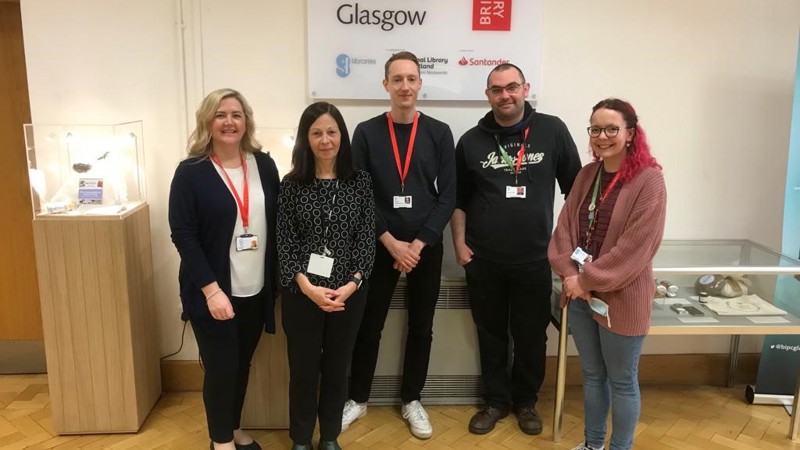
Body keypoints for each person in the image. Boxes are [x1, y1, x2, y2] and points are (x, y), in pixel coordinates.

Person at [451, 63, 582, 436]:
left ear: (526, 89)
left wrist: (565, 246)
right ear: (488, 95)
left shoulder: (552, 130)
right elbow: (458, 200)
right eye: (496, 89)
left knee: (531, 336)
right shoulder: (472, 140)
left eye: (511, 87)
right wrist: (460, 245)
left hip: (535, 259)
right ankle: (495, 401)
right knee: (490, 333)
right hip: (484, 259)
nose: (504, 95)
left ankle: (526, 402)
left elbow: (575, 190)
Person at [342, 50, 456, 439]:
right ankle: (357, 398)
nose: (405, 86)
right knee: (367, 325)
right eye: (397, 79)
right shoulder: (367, 132)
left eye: (411, 78)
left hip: (426, 247)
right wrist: (391, 243)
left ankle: (412, 399)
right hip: (379, 245)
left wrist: (418, 245)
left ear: (420, 83)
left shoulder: (439, 132)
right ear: (386, 85)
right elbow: (359, 193)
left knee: (421, 326)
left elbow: (448, 195)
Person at [548, 98, 666, 450]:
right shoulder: (588, 175)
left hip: (621, 298)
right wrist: (572, 276)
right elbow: (564, 231)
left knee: (622, 381)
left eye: (612, 128)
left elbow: (635, 248)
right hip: (581, 296)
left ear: (630, 133)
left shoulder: (649, 181)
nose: (603, 136)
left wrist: (583, 280)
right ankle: (593, 444)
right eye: (596, 128)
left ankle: (620, 447)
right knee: (592, 375)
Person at [168, 88, 279, 450]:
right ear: (207, 122)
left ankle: (232, 428)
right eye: (220, 115)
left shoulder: (263, 164)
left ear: (246, 121)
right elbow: (183, 236)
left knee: (242, 364)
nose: (229, 122)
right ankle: (220, 441)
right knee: (220, 369)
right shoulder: (191, 172)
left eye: (236, 114)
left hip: (255, 287)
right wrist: (211, 290)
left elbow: (277, 221)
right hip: (213, 291)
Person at [277, 102, 376, 450]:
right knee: (303, 371)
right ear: (306, 138)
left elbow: (366, 239)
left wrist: (351, 285)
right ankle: (301, 439)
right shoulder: (291, 185)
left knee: (336, 369)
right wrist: (307, 286)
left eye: (331, 132)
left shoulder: (360, 181)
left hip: (348, 294)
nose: (325, 140)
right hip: (301, 292)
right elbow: (284, 242)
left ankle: (330, 436)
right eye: (316, 132)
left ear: (341, 136)